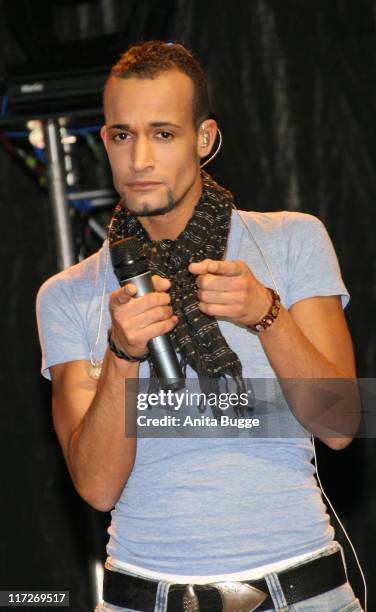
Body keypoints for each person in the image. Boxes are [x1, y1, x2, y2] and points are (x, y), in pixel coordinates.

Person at [36, 41, 363, 612]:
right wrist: (122, 355)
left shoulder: (290, 240)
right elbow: (95, 487)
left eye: (162, 134)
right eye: (121, 135)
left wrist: (266, 314)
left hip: (301, 593)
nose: (139, 159)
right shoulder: (68, 295)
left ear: (204, 139)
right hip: (145, 596)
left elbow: (341, 425)